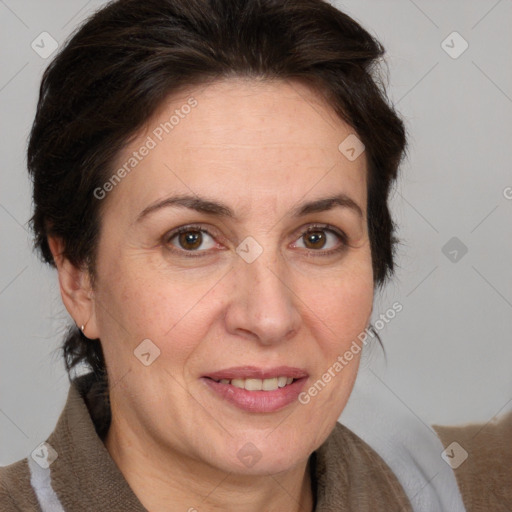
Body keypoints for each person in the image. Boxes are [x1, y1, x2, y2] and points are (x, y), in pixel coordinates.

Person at [0, 0, 508, 510]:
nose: (270, 317)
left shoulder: (481, 487)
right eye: (191, 239)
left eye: (316, 237)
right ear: (77, 278)